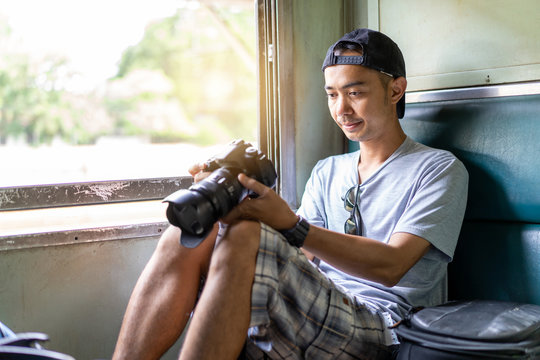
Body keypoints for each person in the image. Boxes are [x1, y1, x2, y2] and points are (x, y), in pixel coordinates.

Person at [112, 28, 468, 360]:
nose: (341, 110)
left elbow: (392, 266)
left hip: (384, 325)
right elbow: (298, 258)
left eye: (355, 93)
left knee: (249, 235)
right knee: (188, 232)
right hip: (317, 305)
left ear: (395, 90)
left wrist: (289, 224)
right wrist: (236, 208)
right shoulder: (328, 170)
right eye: (332, 95)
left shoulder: (438, 169)